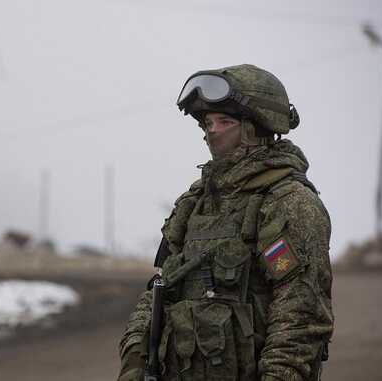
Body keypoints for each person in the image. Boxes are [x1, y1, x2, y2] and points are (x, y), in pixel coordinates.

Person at [117, 64, 334, 381]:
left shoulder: (287, 203)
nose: (212, 130)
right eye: (207, 122)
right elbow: (159, 289)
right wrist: (134, 358)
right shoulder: (196, 202)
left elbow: (300, 318)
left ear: (257, 127)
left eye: (225, 120)